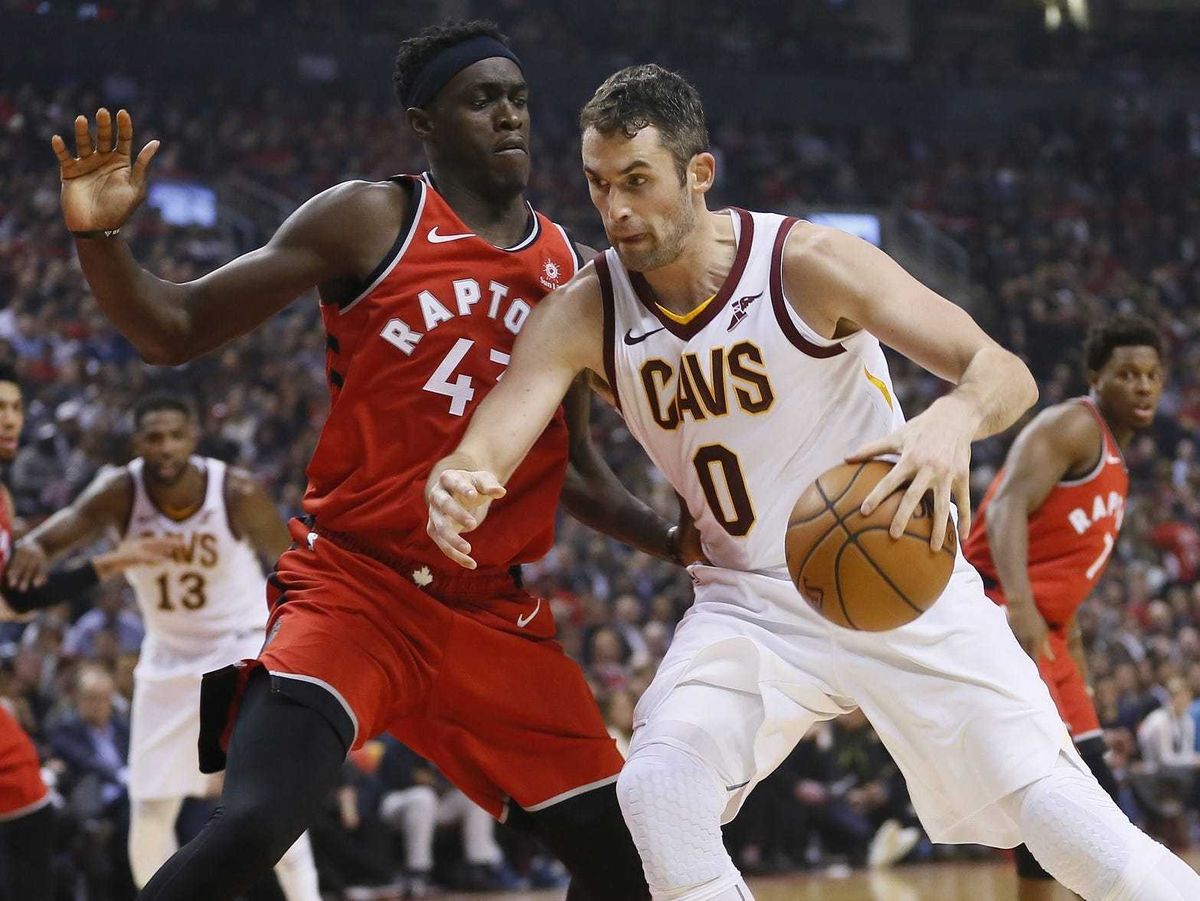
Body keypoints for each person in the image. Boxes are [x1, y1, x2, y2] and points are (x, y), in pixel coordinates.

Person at [426, 64, 1200, 900]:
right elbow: (495, 434)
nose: (614, 210)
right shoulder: (586, 310)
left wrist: (949, 419)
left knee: (1068, 827)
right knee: (657, 790)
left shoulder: (807, 262)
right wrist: (464, 478)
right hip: (749, 601)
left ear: (698, 174)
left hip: (903, 578)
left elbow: (1001, 371)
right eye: (597, 183)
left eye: (637, 182)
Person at [48, 20, 693, 900]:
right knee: (252, 825)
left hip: (488, 617)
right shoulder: (370, 218)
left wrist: (669, 537)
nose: (508, 115)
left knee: (632, 858)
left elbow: (574, 468)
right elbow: (175, 328)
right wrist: (101, 242)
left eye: (518, 98)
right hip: (357, 589)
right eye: (481, 99)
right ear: (425, 123)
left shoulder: (570, 271)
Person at [6, 394, 321, 897]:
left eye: (176, 435)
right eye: (154, 437)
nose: (166, 447)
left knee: (266, 800)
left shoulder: (234, 490)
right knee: (151, 807)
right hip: (168, 655)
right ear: (137, 443)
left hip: (238, 647)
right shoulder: (119, 490)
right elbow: (56, 534)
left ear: (194, 437)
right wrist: (30, 547)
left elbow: (292, 565)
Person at [962, 313, 1165, 900]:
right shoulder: (1075, 425)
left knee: (1060, 793)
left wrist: (1071, 651)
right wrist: (1020, 608)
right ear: (1097, 377)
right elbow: (1004, 510)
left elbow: (1065, 574)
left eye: (1152, 375)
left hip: (1050, 634)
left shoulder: (1118, 462)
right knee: (1081, 792)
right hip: (1000, 609)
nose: (1143, 386)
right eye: (1127, 374)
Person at [0, 362, 172, 900]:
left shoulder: (4, 501)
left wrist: (114, 560)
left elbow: (18, 598)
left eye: (14, 408)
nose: (9, 420)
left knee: (29, 807)